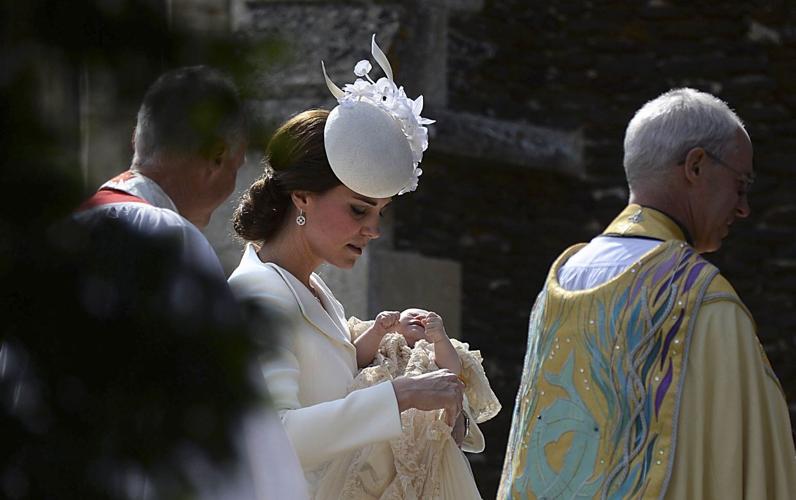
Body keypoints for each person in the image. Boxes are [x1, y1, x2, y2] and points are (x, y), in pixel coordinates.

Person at [498, 88, 796, 499]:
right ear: (695, 166)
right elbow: (751, 461)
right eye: (740, 185)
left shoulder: (561, 280)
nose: (743, 207)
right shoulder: (700, 298)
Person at [227, 35, 466, 499]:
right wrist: (401, 395)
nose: (372, 230)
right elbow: (273, 437)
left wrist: (385, 344)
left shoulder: (312, 287)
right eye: (359, 211)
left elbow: (325, 380)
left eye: (380, 213)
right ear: (302, 198)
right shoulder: (258, 295)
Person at [73, 65, 308, 499]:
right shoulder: (167, 238)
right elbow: (234, 418)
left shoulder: (63, 236)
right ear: (217, 156)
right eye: (236, 165)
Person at [340, 308, 501, 499]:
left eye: (427, 318)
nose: (419, 317)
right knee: (373, 474)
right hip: (378, 422)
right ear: (395, 324)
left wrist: (440, 338)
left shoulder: (434, 351)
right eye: (410, 314)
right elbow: (357, 358)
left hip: (426, 434)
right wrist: (377, 330)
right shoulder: (384, 342)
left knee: (426, 480)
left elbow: (452, 370)